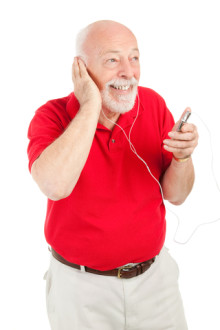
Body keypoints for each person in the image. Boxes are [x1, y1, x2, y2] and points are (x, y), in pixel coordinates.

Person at [27, 20, 198, 330]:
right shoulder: (51, 116)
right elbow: (55, 186)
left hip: (155, 284)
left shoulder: (154, 105)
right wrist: (91, 104)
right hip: (81, 292)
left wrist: (182, 158)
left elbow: (177, 195)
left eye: (134, 57)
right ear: (81, 68)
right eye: (112, 60)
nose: (128, 72)